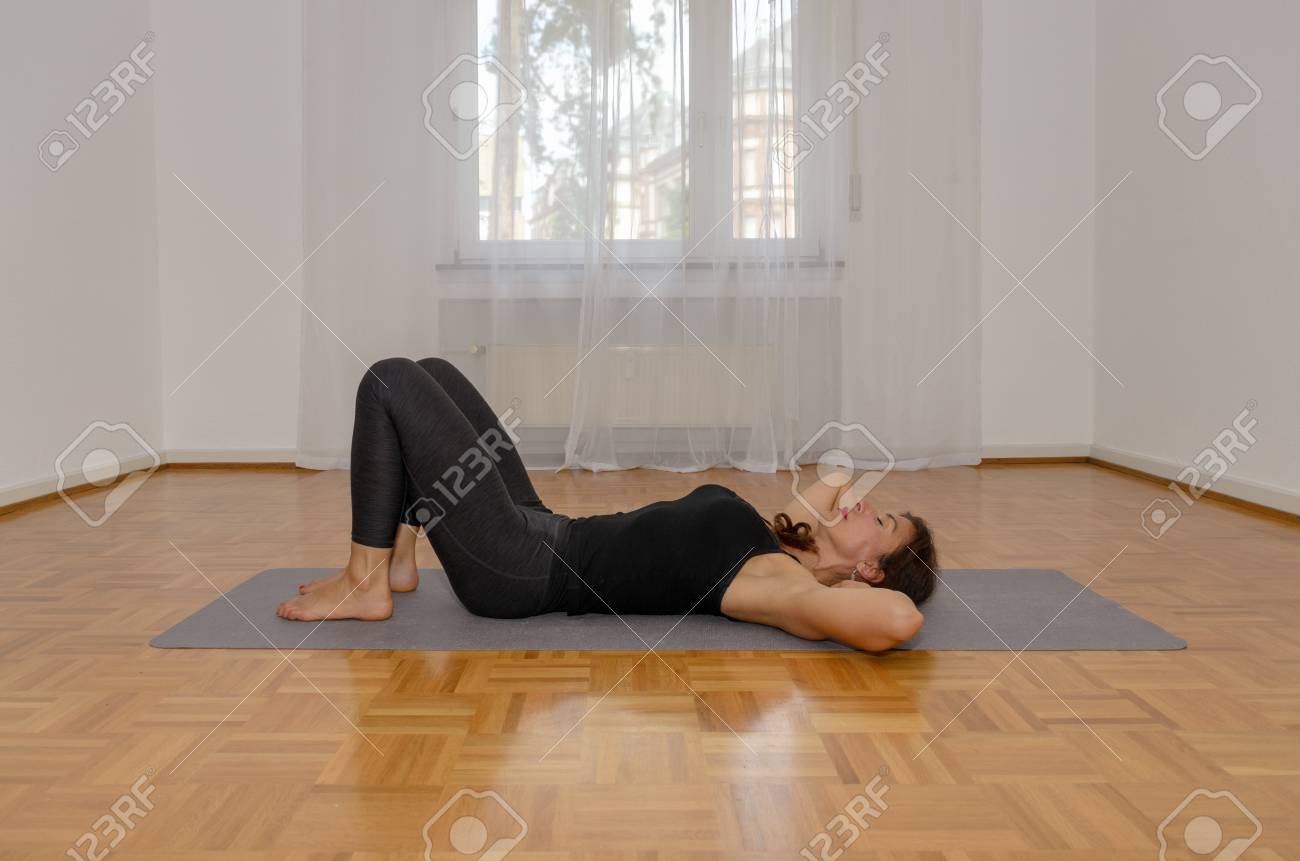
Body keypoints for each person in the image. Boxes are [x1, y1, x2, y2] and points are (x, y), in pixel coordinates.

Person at [276, 357, 938, 652]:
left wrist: (853, 584)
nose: (863, 505)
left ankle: (364, 582)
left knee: (390, 381)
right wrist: (843, 517)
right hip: (543, 525)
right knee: (435, 372)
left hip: (523, 569)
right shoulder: (780, 546)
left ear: (872, 570)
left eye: (881, 521)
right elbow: (825, 491)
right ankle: (397, 559)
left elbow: (898, 619)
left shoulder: (783, 586)